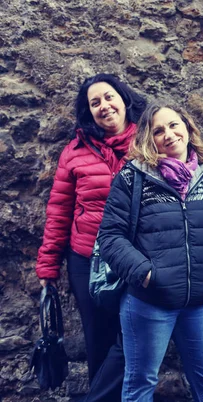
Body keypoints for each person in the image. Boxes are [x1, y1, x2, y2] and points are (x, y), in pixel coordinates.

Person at [97, 104, 203, 402]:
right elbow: (110, 237)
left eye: (173, 125)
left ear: (187, 126)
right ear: (149, 139)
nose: (169, 135)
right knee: (140, 384)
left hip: (198, 302)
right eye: (158, 131)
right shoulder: (133, 178)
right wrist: (145, 274)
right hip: (149, 302)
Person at [35, 74, 146, 400]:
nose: (104, 106)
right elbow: (59, 212)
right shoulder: (74, 152)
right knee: (97, 341)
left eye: (108, 97)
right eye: (94, 103)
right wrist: (48, 266)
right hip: (86, 260)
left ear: (124, 100)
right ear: (88, 112)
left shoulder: (149, 142)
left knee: (135, 341)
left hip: (136, 259)